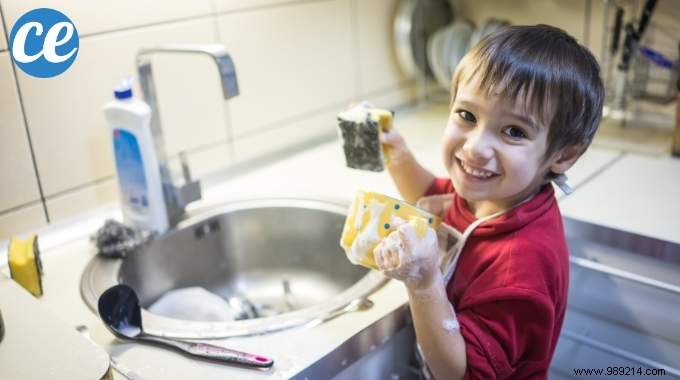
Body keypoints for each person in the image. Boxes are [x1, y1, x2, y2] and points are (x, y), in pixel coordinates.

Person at [372, 24, 604, 379]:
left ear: (562, 156)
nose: (476, 148)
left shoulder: (520, 265)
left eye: (514, 131)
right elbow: (434, 196)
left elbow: (462, 373)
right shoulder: (494, 193)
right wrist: (397, 155)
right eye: (467, 115)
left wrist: (424, 282)